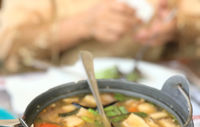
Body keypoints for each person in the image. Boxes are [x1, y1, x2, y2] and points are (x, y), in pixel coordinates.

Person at [0, 0, 199, 73]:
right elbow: (9, 47)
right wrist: (82, 25)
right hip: (61, 89)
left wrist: (178, 27)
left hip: (152, 85)